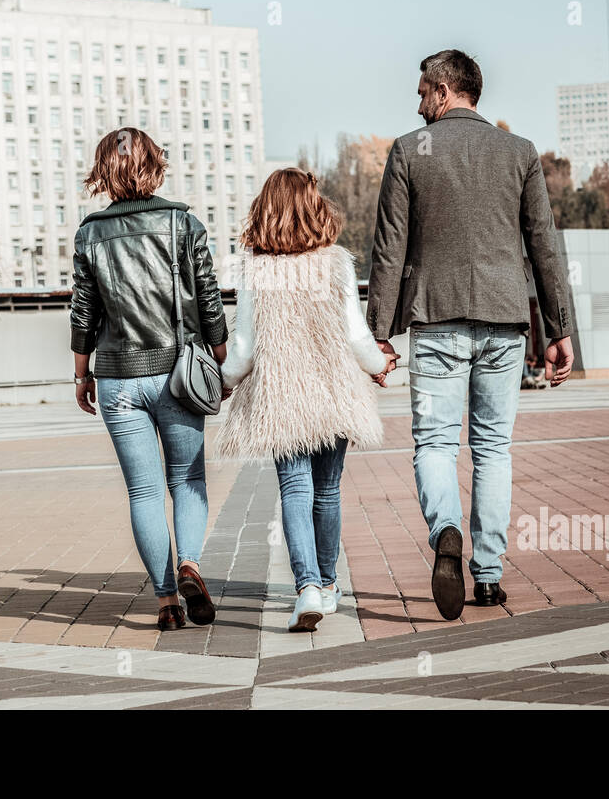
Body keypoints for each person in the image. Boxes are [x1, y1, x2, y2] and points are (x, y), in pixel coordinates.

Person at [367, 49, 576, 621]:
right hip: (505, 324)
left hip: (434, 320)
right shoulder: (519, 152)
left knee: (434, 443)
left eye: (420, 92)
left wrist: (379, 334)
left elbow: (389, 251)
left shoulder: (410, 150)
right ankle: (488, 576)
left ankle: (446, 534)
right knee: (492, 448)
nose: (416, 103)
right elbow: (545, 247)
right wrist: (558, 330)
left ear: (442, 89)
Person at [70, 128, 228, 632]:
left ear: (105, 170)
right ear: (155, 165)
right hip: (178, 374)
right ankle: (191, 565)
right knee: (187, 479)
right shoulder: (183, 223)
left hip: (117, 378)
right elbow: (208, 298)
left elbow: (82, 311)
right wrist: (221, 360)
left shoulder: (90, 232)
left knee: (142, 492)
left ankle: (165, 602)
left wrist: (81, 373)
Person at [217, 168, 389, 632]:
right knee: (328, 490)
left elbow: (245, 345)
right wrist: (379, 367)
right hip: (334, 392)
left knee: (295, 489)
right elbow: (356, 335)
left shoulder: (256, 268)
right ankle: (330, 586)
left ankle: (307, 587)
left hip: (284, 397)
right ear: (314, 207)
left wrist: (226, 380)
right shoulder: (336, 262)